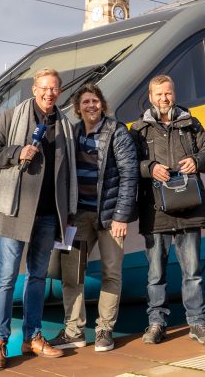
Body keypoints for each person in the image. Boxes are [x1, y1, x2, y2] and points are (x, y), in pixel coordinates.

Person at [0, 68, 77, 369]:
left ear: (59, 92)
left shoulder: (65, 125)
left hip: (49, 213)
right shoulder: (12, 117)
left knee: (37, 278)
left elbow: (69, 170)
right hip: (16, 209)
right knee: (7, 278)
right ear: (35, 89)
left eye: (54, 88)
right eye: (44, 87)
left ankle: (33, 337)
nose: (49, 93)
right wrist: (16, 153)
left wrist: (70, 209)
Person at [48, 83, 138, 353]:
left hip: (110, 217)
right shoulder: (73, 133)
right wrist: (64, 216)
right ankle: (74, 332)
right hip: (78, 217)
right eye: (85, 102)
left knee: (112, 272)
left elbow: (129, 175)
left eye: (95, 101)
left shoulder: (116, 131)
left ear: (102, 104)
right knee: (71, 275)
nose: (91, 106)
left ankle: (104, 331)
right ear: (78, 108)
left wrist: (122, 215)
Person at [130, 74, 205, 346]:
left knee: (192, 273)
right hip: (155, 211)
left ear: (174, 93)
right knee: (156, 275)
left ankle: (197, 323)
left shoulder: (191, 124)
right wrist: (149, 168)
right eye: (159, 95)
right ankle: (156, 323)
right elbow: (128, 163)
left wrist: (196, 160)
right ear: (150, 96)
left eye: (168, 93)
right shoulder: (138, 129)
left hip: (190, 209)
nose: (164, 99)